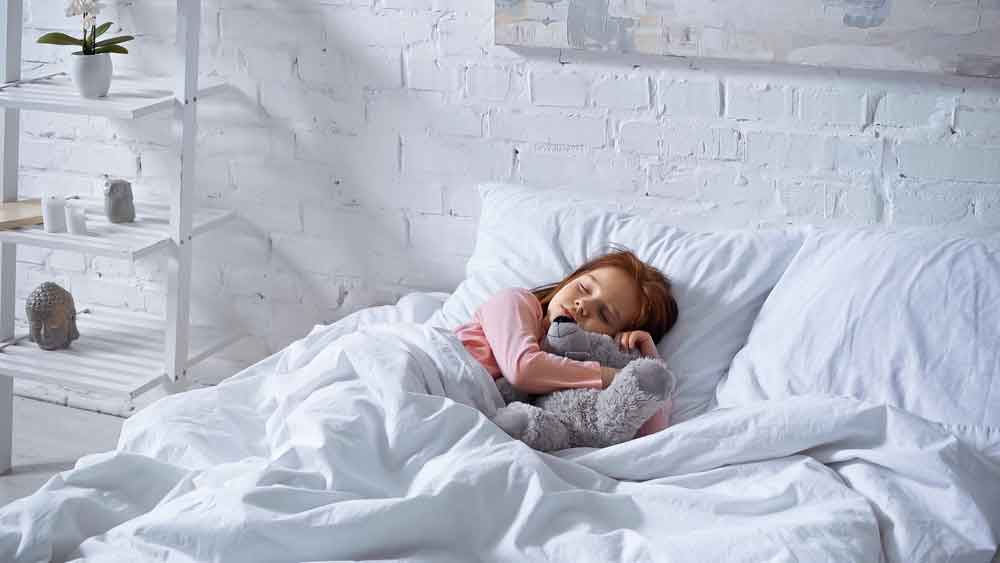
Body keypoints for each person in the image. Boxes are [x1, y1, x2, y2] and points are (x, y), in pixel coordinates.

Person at [455, 248, 679, 438]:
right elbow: (523, 369)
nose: (583, 305)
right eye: (584, 288)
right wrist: (617, 376)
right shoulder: (516, 301)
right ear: (570, 279)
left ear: (611, 336)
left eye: (604, 315)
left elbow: (651, 437)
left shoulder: (568, 375)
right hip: (440, 369)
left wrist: (648, 358)